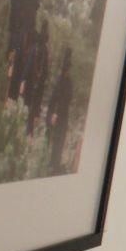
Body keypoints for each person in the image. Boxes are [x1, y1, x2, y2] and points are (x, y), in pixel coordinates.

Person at [47, 47, 74, 175]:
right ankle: (52, 164)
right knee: (55, 140)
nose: (69, 71)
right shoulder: (60, 81)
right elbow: (55, 98)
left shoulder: (68, 82)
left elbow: (68, 99)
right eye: (68, 69)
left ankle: (55, 164)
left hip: (63, 115)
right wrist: (53, 113)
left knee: (60, 140)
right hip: (57, 115)